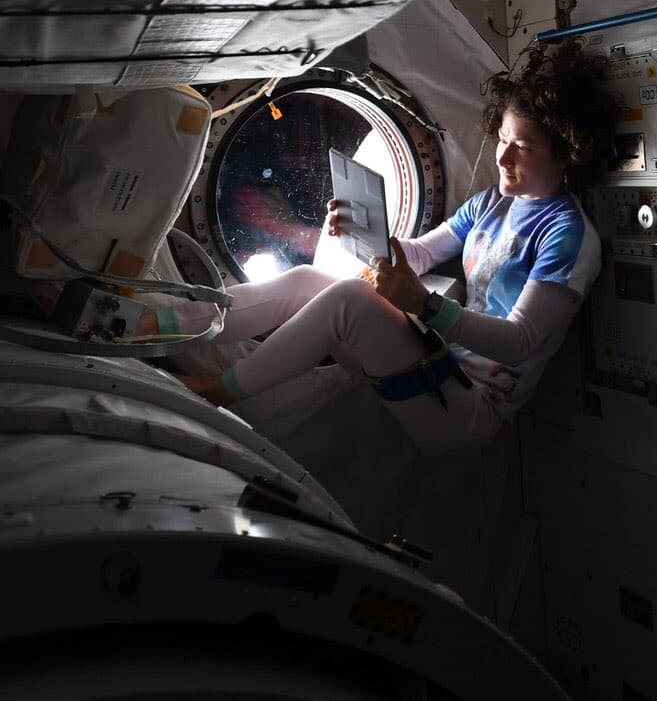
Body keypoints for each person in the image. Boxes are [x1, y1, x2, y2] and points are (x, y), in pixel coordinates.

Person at [168, 43, 614, 455]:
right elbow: (417, 255)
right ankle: (163, 325)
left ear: (565, 154)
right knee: (307, 281)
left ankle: (217, 391)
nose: (502, 157)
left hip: (470, 406)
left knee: (349, 299)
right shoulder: (491, 204)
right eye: (501, 139)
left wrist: (425, 305)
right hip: (435, 364)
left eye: (522, 147)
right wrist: (364, 231)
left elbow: (519, 343)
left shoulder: (568, 236)